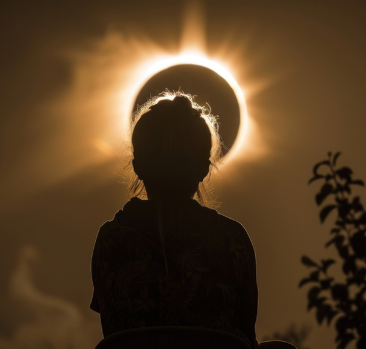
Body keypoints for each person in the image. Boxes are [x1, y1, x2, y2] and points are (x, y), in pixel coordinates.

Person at [90, 93, 259, 348]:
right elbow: (245, 337)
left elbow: (113, 335)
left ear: (138, 166)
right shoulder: (232, 241)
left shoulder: (112, 241)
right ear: (204, 168)